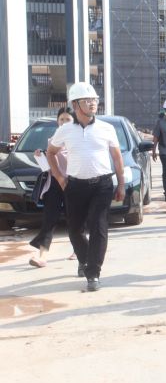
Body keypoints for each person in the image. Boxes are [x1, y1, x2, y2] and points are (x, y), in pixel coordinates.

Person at [46, 83, 125, 292]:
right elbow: (50, 152)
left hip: (102, 185)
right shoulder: (65, 130)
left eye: (95, 100)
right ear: (75, 104)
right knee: (75, 230)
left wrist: (121, 184)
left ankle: (93, 273)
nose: (92, 104)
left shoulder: (106, 128)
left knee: (98, 226)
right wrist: (60, 177)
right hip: (75, 186)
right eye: (87, 100)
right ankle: (85, 259)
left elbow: (117, 158)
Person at [28, 107, 75, 267]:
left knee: (74, 218)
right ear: (57, 121)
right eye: (61, 119)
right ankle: (42, 256)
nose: (64, 122)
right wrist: (40, 156)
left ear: (74, 121)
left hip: (72, 183)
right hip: (54, 183)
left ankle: (79, 249)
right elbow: (49, 167)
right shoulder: (52, 140)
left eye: (67, 119)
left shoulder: (77, 140)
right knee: (49, 219)